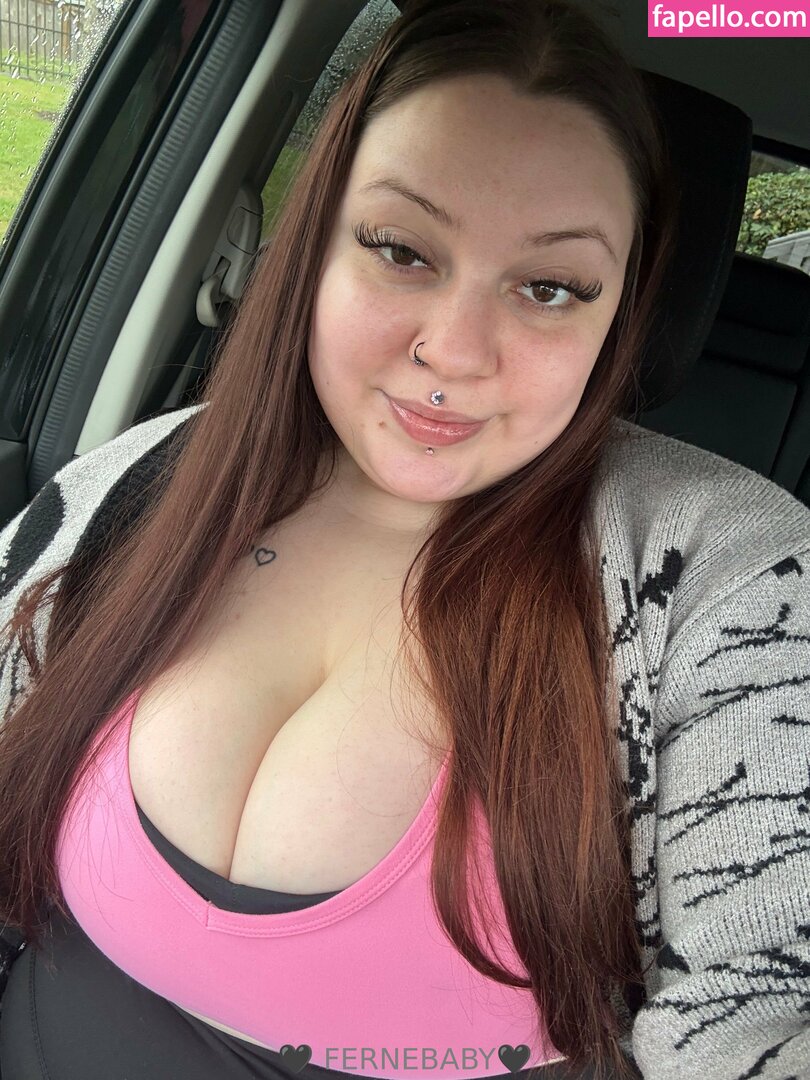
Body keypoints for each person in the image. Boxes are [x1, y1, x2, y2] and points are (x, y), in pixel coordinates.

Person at [0, 0, 808, 1078]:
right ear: (316, 247)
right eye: (401, 250)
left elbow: (766, 1010)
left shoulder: (738, 577)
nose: (456, 351)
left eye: (550, 288)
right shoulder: (150, 475)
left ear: (621, 313)